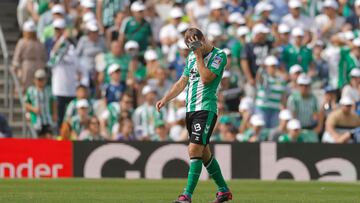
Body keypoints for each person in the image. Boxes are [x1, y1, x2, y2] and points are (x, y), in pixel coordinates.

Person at [156, 28, 232, 203]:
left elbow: (206, 78)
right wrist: (165, 98)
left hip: (206, 108)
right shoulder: (190, 57)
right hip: (190, 110)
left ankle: (186, 195)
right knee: (203, 152)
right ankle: (224, 190)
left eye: (197, 43)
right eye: (191, 45)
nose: (195, 47)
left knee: (194, 149)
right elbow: (183, 81)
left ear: (204, 39)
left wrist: (198, 56)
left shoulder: (219, 55)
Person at [47, 18, 82, 128]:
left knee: (70, 118)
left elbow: (78, 67)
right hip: (58, 89)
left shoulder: (71, 47)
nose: (58, 32)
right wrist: (62, 41)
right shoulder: (53, 45)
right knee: (59, 118)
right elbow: (51, 61)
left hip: (71, 90)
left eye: (60, 30)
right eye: (56, 30)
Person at [12, 20, 47, 91]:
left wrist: (15, 67)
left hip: (27, 68)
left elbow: (17, 58)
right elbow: (45, 57)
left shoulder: (22, 42)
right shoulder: (40, 42)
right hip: (39, 67)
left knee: (27, 89)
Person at [241, 23, 272, 98]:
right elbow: (244, 62)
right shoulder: (248, 46)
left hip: (266, 79)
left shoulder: (268, 44)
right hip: (253, 79)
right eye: (263, 34)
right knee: (251, 98)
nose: (265, 36)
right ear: (257, 34)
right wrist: (250, 78)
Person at [255, 55, 287, 128]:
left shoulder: (281, 80)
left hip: (275, 110)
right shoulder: (264, 78)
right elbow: (259, 77)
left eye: (274, 66)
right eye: (271, 66)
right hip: (262, 109)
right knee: (262, 132)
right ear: (267, 67)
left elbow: (283, 96)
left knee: (272, 132)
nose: (273, 68)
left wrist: (283, 108)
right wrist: (261, 68)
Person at [25, 69, 56, 138]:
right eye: (39, 79)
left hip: (47, 119)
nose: (41, 81)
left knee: (49, 137)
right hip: (35, 120)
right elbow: (26, 104)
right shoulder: (31, 90)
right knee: (38, 139)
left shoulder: (48, 90)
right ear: (35, 80)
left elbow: (53, 102)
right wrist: (33, 109)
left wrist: (54, 114)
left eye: (42, 79)